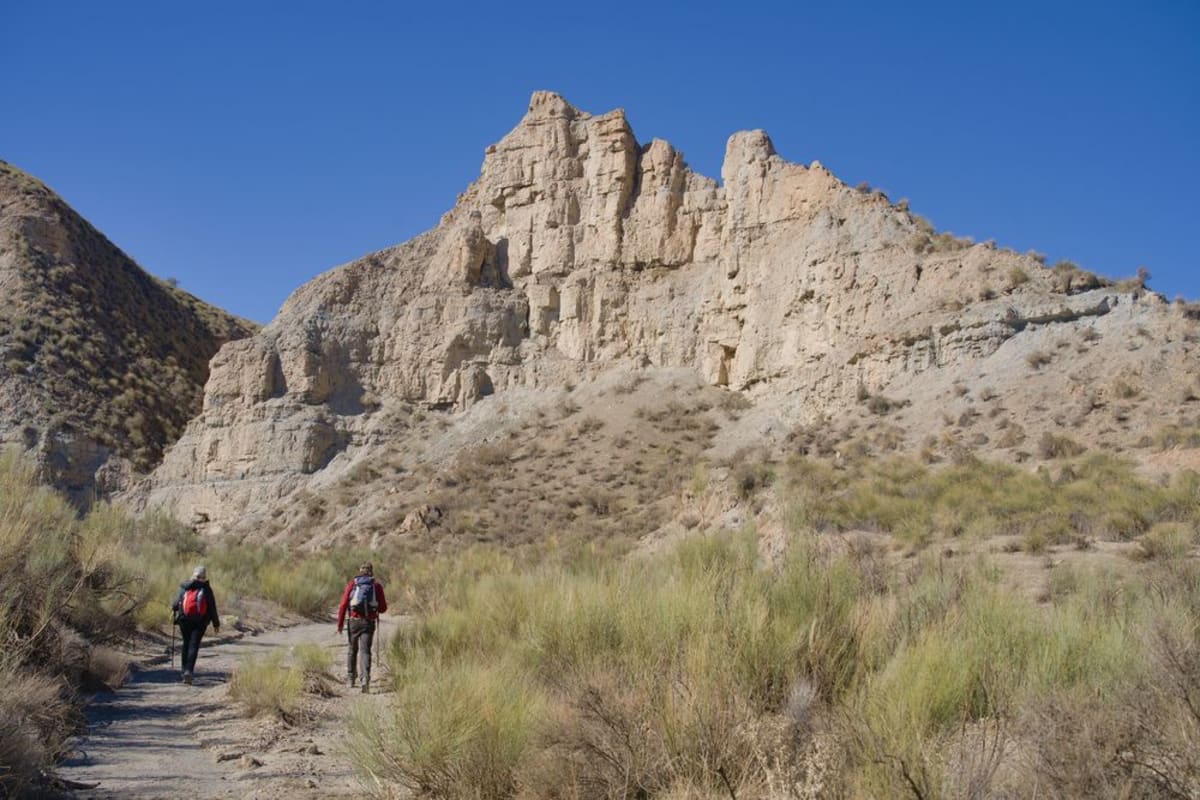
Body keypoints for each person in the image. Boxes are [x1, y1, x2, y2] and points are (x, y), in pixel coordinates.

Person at [336, 561, 387, 693]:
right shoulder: (376, 586)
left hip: (353, 621)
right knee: (365, 651)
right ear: (371, 571)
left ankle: (351, 679)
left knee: (352, 649)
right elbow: (383, 608)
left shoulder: (353, 584)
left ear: (360, 571)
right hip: (368, 623)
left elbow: (342, 605)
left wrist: (340, 624)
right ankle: (365, 679)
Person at [171, 565, 220, 685]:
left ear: (193, 575)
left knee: (186, 643)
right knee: (194, 645)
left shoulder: (185, 586)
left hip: (184, 620)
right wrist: (216, 624)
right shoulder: (206, 589)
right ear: (204, 577)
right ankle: (189, 671)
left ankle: (183, 671)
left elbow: (174, 604)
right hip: (200, 621)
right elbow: (212, 607)